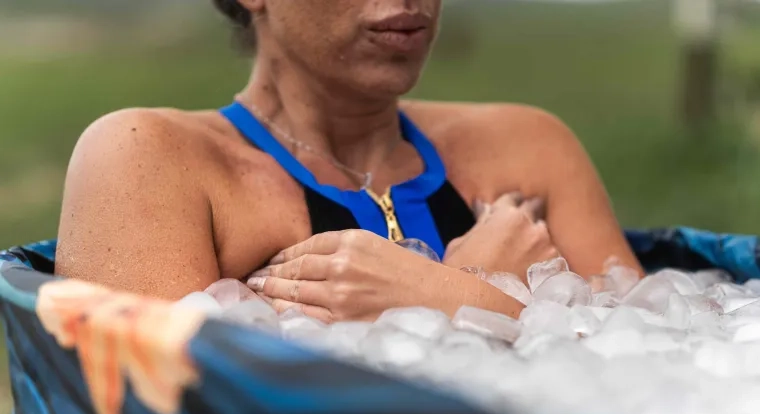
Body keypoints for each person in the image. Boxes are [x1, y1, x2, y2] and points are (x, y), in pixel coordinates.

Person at [56, 0, 643, 323]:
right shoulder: (151, 160)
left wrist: (442, 298)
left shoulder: (529, 147)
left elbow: (672, 371)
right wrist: (479, 297)